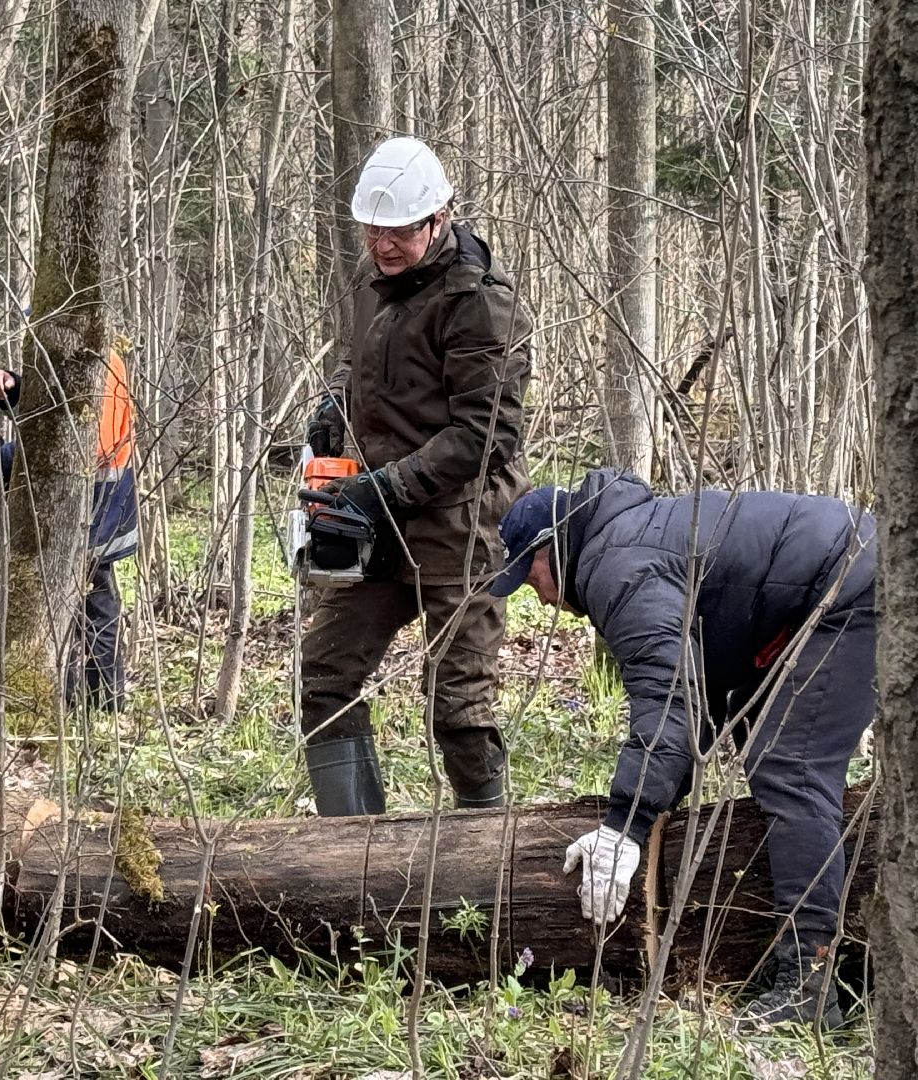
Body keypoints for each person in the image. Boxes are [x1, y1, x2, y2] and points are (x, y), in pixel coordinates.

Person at [491, 468, 876, 1026]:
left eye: (531, 576)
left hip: (854, 587)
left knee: (788, 764)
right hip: (835, 584)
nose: (541, 597)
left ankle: (808, 987)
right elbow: (698, 703)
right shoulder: (625, 538)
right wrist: (653, 804)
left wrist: (625, 824)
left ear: (552, 547)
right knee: (760, 734)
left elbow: (669, 698)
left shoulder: (616, 566)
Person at [299, 135, 533, 816]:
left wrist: (383, 490)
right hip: (374, 523)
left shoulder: (481, 304)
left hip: (458, 528)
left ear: (438, 220)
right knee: (324, 677)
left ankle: (486, 864)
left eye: (399, 232)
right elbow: (364, 363)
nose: (384, 245)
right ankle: (354, 857)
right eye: (374, 230)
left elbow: (485, 435)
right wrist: (333, 400)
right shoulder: (381, 284)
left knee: (458, 710)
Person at [0, 351, 138, 712]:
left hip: (98, 511)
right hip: (86, 509)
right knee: (81, 604)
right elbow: (57, 407)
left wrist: (16, 456)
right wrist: (12, 391)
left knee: (94, 604)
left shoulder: (99, 363)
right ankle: (78, 699)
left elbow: (84, 441)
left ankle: (102, 701)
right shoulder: (76, 354)